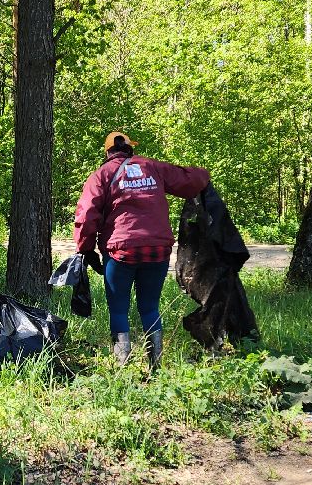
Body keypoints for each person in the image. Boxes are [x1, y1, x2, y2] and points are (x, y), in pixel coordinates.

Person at [73, 132, 210, 370]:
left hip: (120, 252)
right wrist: (203, 175)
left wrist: (86, 250)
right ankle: (155, 367)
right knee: (149, 308)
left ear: (107, 153)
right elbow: (191, 180)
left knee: (118, 309)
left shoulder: (101, 175)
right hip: (157, 250)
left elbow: (86, 217)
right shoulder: (152, 167)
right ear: (130, 150)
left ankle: (122, 367)